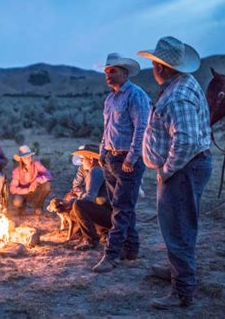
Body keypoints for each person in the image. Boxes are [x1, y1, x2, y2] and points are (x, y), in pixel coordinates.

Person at [138, 36, 212, 309]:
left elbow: (186, 140)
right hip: (186, 168)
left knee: (177, 227)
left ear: (163, 67)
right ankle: (178, 271)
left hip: (182, 170)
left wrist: (167, 170)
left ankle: (182, 290)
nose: (154, 68)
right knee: (180, 224)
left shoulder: (177, 96)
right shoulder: (181, 84)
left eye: (156, 63)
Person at [93, 53, 151, 272]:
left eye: (113, 71)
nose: (108, 75)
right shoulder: (110, 99)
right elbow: (107, 129)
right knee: (124, 207)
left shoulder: (136, 95)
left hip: (127, 159)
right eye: (107, 71)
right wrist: (102, 151)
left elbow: (142, 128)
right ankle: (131, 249)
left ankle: (111, 255)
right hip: (110, 158)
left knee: (121, 207)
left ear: (124, 73)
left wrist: (132, 157)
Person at [70, 144, 112, 251]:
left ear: (90, 158)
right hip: (109, 211)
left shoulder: (96, 171)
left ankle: (90, 240)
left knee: (78, 206)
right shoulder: (96, 170)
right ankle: (102, 233)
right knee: (76, 207)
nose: (81, 162)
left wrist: (73, 203)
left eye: (82, 159)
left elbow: (90, 197)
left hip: (109, 213)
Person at [10, 145, 52, 215]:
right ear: (21, 159)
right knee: (17, 202)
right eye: (25, 157)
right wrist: (27, 190)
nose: (28, 158)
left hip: (35, 191)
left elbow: (48, 176)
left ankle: (38, 206)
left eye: (29, 156)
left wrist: (37, 180)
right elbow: (13, 189)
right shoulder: (16, 171)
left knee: (47, 185)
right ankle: (21, 208)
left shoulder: (37, 165)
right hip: (23, 193)